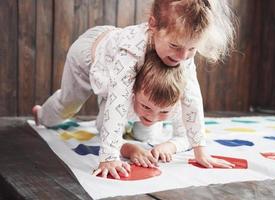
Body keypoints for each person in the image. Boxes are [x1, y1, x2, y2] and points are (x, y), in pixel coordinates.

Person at [33, 0, 236, 179]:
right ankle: (42, 114)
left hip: (119, 76)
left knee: (144, 118)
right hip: (89, 56)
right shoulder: (130, 52)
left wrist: (200, 150)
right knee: (69, 105)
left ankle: (120, 131)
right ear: (153, 25)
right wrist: (109, 156)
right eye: (175, 45)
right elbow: (118, 101)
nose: (183, 56)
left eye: (192, 49)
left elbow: (191, 97)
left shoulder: (182, 51)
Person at [120, 50, 189, 168]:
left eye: (164, 111)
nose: (152, 117)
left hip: (138, 109)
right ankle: (124, 122)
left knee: (145, 136)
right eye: (146, 106)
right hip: (117, 100)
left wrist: (169, 146)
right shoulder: (122, 100)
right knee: (107, 126)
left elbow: (188, 137)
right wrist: (131, 149)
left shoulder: (177, 106)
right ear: (133, 92)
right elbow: (108, 137)